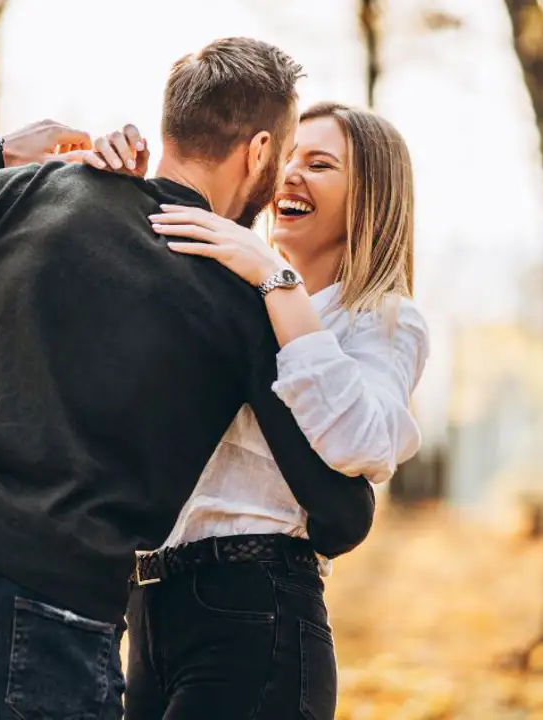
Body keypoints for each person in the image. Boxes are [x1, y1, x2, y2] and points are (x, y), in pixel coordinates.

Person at [0, 38, 376, 720]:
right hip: (62, 606)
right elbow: (341, 516)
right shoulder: (246, 300)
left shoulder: (48, 189)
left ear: (171, 127)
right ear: (256, 153)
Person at [92, 102, 426, 719]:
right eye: (289, 157)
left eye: (320, 164)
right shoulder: (222, 292)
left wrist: (279, 282)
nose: (292, 174)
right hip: (150, 609)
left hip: (255, 607)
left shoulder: (382, 319)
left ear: (370, 199)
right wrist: (114, 184)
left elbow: (363, 441)